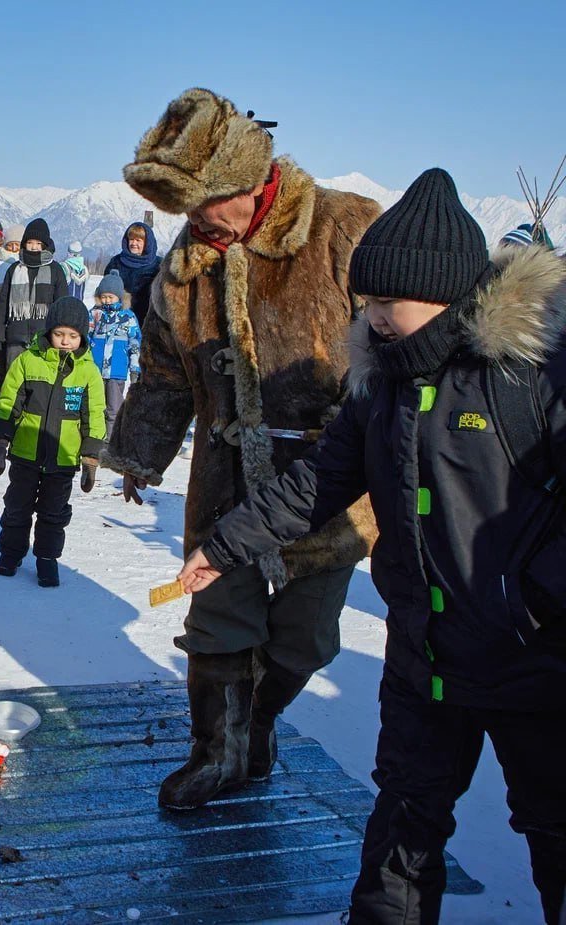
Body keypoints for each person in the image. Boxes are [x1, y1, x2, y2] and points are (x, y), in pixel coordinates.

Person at [179, 168, 566, 925]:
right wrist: (224, 545)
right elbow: (316, 485)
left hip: (535, 666)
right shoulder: (382, 381)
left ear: (445, 292)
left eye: (389, 301)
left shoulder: (530, 377)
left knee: (555, 833)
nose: (374, 316)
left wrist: (536, 599)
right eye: (369, 300)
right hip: (423, 663)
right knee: (400, 838)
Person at [104, 88, 381, 810]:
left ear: (250, 183)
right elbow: (166, 366)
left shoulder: (345, 229)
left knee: (306, 637)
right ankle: (214, 752)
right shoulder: (186, 262)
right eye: (184, 209)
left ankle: (255, 726)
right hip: (224, 475)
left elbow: (396, 347)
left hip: (329, 482)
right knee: (218, 621)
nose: (195, 222)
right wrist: (139, 450)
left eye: (204, 205)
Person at [0, 297, 104, 588]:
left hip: (63, 458)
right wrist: (1, 439)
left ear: (82, 337)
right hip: (26, 454)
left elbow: (94, 415)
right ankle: (11, 553)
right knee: (17, 507)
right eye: (59, 334)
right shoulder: (28, 361)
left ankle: (47, 559)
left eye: (73, 336)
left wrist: (90, 457)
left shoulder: (88, 372)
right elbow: (8, 402)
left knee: (53, 513)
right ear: (49, 331)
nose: (65, 341)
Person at [0, 218, 68, 391]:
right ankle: (9, 418)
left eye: (38, 243)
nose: (33, 247)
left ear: (45, 245)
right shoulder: (14, 269)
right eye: (30, 242)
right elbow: (3, 304)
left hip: (44, 340)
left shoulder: (56, 271)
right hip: (15, 338)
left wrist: (61, 337)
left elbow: (62, 306)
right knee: (12, 385)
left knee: (39, 387)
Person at [89, 270, 140, 438]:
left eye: (110, 297)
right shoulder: (96, 314)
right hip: (95, 370)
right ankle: (94, 436)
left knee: (113, 407)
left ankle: (111, 440)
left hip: (116, 370)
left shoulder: (128, 317)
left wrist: (134, 367)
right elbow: (86, 337)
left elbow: (135, 343)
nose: (107, 300)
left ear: (119, 297)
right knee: (95, 405)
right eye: (103, 297)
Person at [103, 221, 160, 324]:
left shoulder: (159, 266)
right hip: (120, 322)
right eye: (131, 239)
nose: (134, 243)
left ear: (147, 243)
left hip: (150, 323)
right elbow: (105, 291)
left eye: (138, 240)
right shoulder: (115, 263)